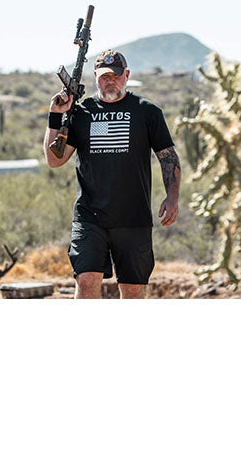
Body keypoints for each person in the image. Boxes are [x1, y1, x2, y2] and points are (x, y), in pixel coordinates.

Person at [43, 50, 181, 299]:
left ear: (126, 75)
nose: (110, 81)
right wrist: (56, 115)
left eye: (116, 76)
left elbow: (168, 157)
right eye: (104, 76)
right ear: (96, 77)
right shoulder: (81, 113)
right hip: (89, 217)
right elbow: (55, 160)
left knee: (132, 290)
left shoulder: (147, 112)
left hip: (133, 218)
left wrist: (172, 197)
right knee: (86, 280)